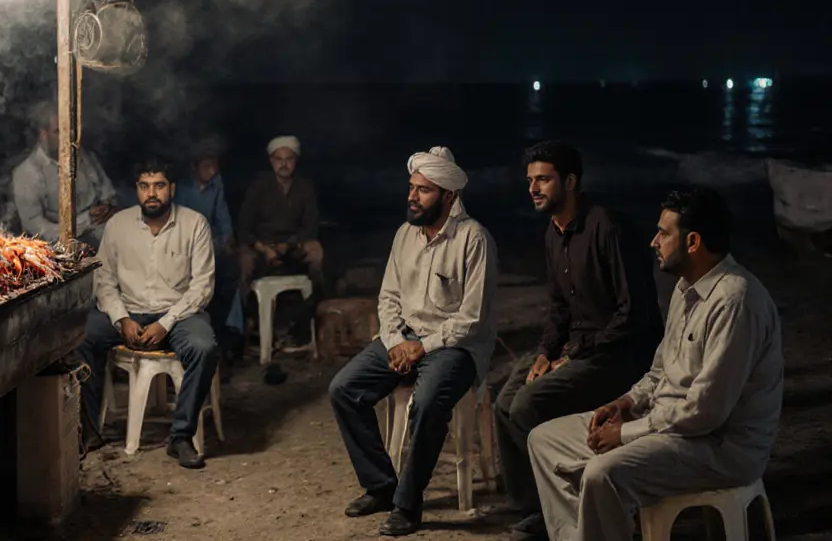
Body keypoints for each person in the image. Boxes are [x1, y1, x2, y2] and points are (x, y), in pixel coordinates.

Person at [527, 186, 783, 541]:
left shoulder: (735, 301)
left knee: (604, 473)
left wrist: (625, 434)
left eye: (663, 233)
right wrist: (626, 403)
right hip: (668, 425)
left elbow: (705, 413)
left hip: (719, 447)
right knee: (544, 440)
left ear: (692, 242)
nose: (653, 241)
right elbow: (660, 371)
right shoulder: (685, 288)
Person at [495, 141, 664, 540]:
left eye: (544, 180)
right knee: (504, 402)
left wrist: (572, 354)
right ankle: (534, 506)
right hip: (576, 350)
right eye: (531, 181)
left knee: (527, 404)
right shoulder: (553, 234)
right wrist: (544, 353)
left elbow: (634, 312)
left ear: (570, 181)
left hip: (619, 354)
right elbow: (558, 309)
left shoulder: (607, 226)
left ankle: (572, 500)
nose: (534, 188)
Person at [329, 146, 498, 536]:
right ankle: (382, 487)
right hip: (402, 338)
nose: (412, 196)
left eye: (423, 190)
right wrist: (394, 342)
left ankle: (408, 505)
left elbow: (470, 319)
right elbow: (388, 298)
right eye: (411, 187)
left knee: (425, 403)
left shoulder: (475, 239)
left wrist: (421, 347)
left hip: (455, 347)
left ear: (448, 196)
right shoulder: (405, 235)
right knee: (344, 389)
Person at [75, 157, 219, 469]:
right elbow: (104, 279)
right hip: (129, 311)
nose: (151, 193)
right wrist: (121, 318)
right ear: (137, 190)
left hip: (179, 314)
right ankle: (88, 430)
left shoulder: (195, 224)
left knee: (204, 348)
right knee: (78, 336)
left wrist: (165, 324)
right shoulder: (118, 224)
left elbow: (202, 287)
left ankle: (180, 436)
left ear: (172, 189)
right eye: (144, 186)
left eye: (159, 186)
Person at [237, 135, 323, 346]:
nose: (283, 164)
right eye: (278, 159)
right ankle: (246, 326)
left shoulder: (305, 187)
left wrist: (290, 245)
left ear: (295, 161)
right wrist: (263, 248)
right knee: (243, 261)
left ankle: (303, 321)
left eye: (289, 159)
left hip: (292, 247)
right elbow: (243, 227)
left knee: (316, 252)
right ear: (271, 161)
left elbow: (311, 226)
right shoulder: (259, 187)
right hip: (262, 248)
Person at [175, 138, 245, 362]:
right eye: (207, 166)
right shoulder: (183, 188)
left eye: (214, 165)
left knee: (229, 276)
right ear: (195, 167)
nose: (212, 170)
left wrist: (227, 239)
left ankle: (232, 332)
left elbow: (223, 219)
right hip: (187, 246)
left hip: (211, 245)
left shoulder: (217, 185)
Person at [12, 101, 119, 248]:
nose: (67, 138)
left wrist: (107, 207)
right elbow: (38, 231)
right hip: (61, 251)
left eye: (69, 129)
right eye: (58, 131)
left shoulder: (83, 156)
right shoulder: (26, 174)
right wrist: (86, 221)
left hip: (105, 234)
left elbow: (108, 192)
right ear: (43, 134)